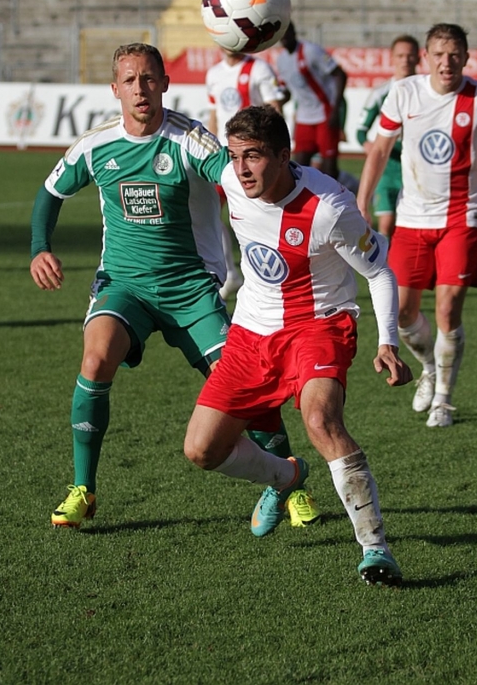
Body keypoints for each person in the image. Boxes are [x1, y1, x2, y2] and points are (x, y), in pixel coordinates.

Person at [29, 43, 314, 530]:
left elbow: (226, 172)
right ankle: (83, 488)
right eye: (130, 80)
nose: (140, 88)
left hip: (191, 288)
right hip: (124, 285)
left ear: (163, 83)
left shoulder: (189, 140)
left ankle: (288, 482)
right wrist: (39, 246)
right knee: (95, 360)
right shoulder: (96, 146)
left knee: (242, 386)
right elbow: (50, 192)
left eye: (149, 78)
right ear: (115, 89)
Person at [182, 105, 413, 585]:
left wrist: (388, 340)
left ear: (284, 155)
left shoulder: (330, 207)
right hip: (249, 333)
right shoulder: (232, 179)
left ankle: (375, 548)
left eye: (255, 156)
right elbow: (190, 142)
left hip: (318, 327)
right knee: (202, 450)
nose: (242, 168)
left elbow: (379, 271)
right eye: (235, 156)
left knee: (320, 420)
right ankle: (285, 478)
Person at [357, 23, 477, 428]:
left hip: (463, 215)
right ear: (426, 58)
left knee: (448, 307)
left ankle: (443, 400)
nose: (446, 62)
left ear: (467, 57)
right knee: (402, 313)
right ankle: (430, 369)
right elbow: (380, 148)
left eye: (454, 54)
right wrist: (362, 202)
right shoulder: (404, 93)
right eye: (438, 54)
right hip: (413, 217)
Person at [205, 47, 288, 300]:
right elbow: (213, 115)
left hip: (254, 158)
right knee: (208, 210)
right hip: (224, 157)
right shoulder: (214, 73)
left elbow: (274, 112)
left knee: (263, 213)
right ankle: (230, 274)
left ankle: (275, 272)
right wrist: (210, 150)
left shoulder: (259, 69)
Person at [356, 34, 420, 238]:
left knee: (413, 227)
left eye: (410, 56)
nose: (405, 60)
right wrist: (371, 149)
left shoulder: (426, 91)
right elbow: (360, 131)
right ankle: (386, 268)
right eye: (400, 55)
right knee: (386, 225)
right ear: (392, 58)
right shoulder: (381, 92)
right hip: (387, 168)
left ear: (418, 58)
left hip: (417, 167)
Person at [276, 22, 347, 182]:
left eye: (288, 33)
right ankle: (305, 202)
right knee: (297, 167)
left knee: (329, 167)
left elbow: (340, 74)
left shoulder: (310, 51)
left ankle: (336, 198)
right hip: (304, 117)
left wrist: (336, 109)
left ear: (294, 32)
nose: (285, 38)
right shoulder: (281, 61)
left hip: (325, 113)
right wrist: (276, 103)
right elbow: (288, 90)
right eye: (282, 34)